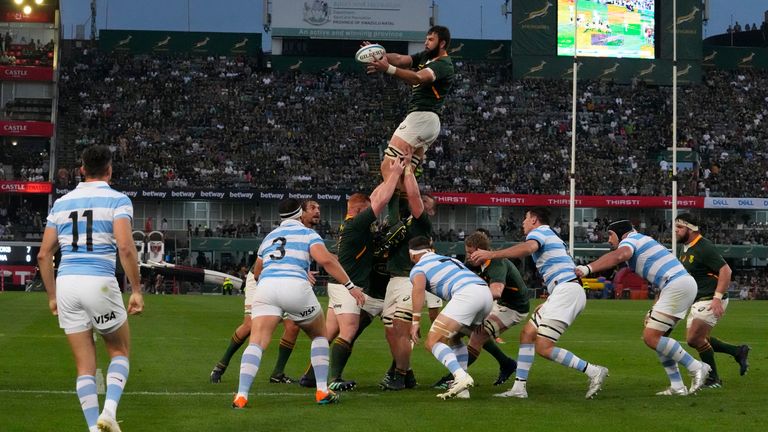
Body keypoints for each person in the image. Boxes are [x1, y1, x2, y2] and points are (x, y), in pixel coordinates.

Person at [37, 145, 144, 432]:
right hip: (99, 281)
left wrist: (51, 297)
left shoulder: (61, 203)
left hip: (67, 283)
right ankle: (109, 413)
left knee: (84, 366)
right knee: (119, 351)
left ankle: (93, 429)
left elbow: (44, 255)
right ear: (109, 170)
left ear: (81, 169)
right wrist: (136, 289)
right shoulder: (118, 200)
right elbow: (125, 246)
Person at [232, 198, 365, 408]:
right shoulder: (308, 234)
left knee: (256, 342)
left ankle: (241, 395)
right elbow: (327, 260)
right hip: (295, 288)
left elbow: (257, 272)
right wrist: (350, 286)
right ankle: (322, 391)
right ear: (299, 214)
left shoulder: (269, 237)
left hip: (266, 288)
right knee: (320, 335)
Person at [471, 207, 608, 399]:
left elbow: (528, 249)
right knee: (527, 334)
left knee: (544, 347)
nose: (523, 223)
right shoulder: (547, 234)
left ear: (534, 220)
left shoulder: (540, 232)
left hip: (567, 290)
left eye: (525, 219)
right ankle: (519, 388)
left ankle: (593, 371)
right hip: (563, 290)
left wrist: (492, 254)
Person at [576, 219, 710, 396]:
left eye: (610, 235)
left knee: (651, 337)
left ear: (620, 233)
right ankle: (677, 386)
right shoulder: (640, 239)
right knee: (657, 338)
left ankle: (697, 367)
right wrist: (654, 308)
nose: (608, 240)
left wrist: (587, 269)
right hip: (676, 285)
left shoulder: (630, 240)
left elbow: (619, 256)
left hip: (677, 285)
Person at [210, 200, 320, 384]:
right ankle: (221, 365)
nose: (317, 212)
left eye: (319, 209)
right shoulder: (291, 231)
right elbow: (264, 265)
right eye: (313, 209)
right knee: (250, 325)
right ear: (301, 213)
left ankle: (277, 373)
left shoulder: (308, 233)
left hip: (284, 282)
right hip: (261, 278)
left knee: (292, 326)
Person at [434, 231, 528, 389]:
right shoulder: (472, 263)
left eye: (471, 253)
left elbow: (496, 291)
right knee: (456, 332)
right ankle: (506, 363)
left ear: (481, 251)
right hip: (497, 303)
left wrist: (470, 301)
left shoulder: (497, 263)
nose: (469, 256)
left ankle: (454, 378)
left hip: (514, 307)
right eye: (467, 252)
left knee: (478, 336)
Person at [408, 236, 493, 399]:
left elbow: (418, 290)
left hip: (467, 294)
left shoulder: (419, 267)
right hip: (485, 293)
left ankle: (461, 377)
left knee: (433, 342)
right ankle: (463, 390)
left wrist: (415, 321)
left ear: (411, 254)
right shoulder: (446, 258)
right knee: (454, 338)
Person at [366, 25, 455, 183]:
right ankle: (407, 208)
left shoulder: (443, 64)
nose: (426, 42)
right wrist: (380, 55)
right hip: (428, 122)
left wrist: (388, 69)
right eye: (426, 39)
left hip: (422, 117)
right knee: (405, 172)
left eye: (430, 39)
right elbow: (400, 59)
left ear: (442, 43)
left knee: (388, 167)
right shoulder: (425, 57)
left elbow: (418, 78)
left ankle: (392, 208)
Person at [379, 163, 440, 390]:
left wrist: (408, 171)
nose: (421, 205)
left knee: (400, 328)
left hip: (410, 279)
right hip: (393, 279)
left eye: (427, 205)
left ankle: (399, 374)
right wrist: (394, 177)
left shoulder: (423, 223)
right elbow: (394, 205)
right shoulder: (402, 221)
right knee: (390, 333)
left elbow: (412, 195)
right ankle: (408, 373)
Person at [674, 213, 750, 388]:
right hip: (698, 299)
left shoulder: (704, 246)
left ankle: (713, 377)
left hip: (711, 298)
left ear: (691, 229)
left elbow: (726, 271)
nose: (676, 231)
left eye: (680, 227)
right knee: (699, 339)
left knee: (694, 338)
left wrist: (716, 298)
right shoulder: (685, 247)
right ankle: (738, 351)